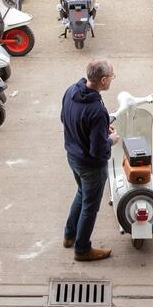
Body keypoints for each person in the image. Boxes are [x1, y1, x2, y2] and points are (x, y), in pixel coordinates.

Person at [60, 59, 119, 261]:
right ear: (103, 80)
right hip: (90, 166)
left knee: (81, 193)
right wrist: (110, 140)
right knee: (90, 206)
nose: (112, 79)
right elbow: (97, 150)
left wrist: (101, 129)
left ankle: (69, 235)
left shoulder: (70, 91)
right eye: (112, 76)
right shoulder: (96, 110)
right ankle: (82, 249)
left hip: (73, 156)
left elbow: (66, 119)